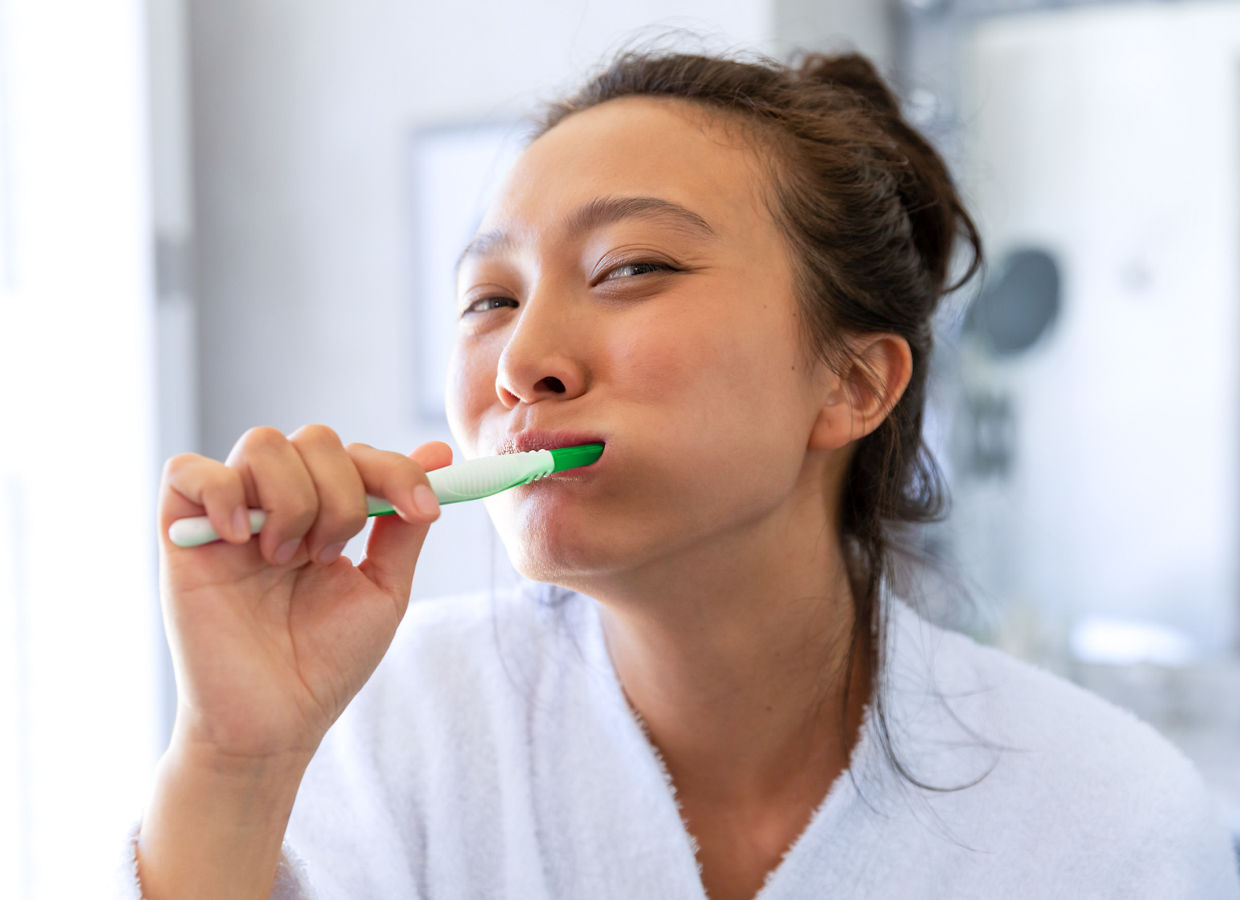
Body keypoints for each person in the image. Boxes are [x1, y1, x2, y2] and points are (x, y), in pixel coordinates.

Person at [120, 48, 1240, 899]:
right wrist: (236, 759)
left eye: (630, 268)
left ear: (853, 384)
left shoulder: (1112, 823)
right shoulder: (397, 728)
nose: (519, 363)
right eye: (489, 300)